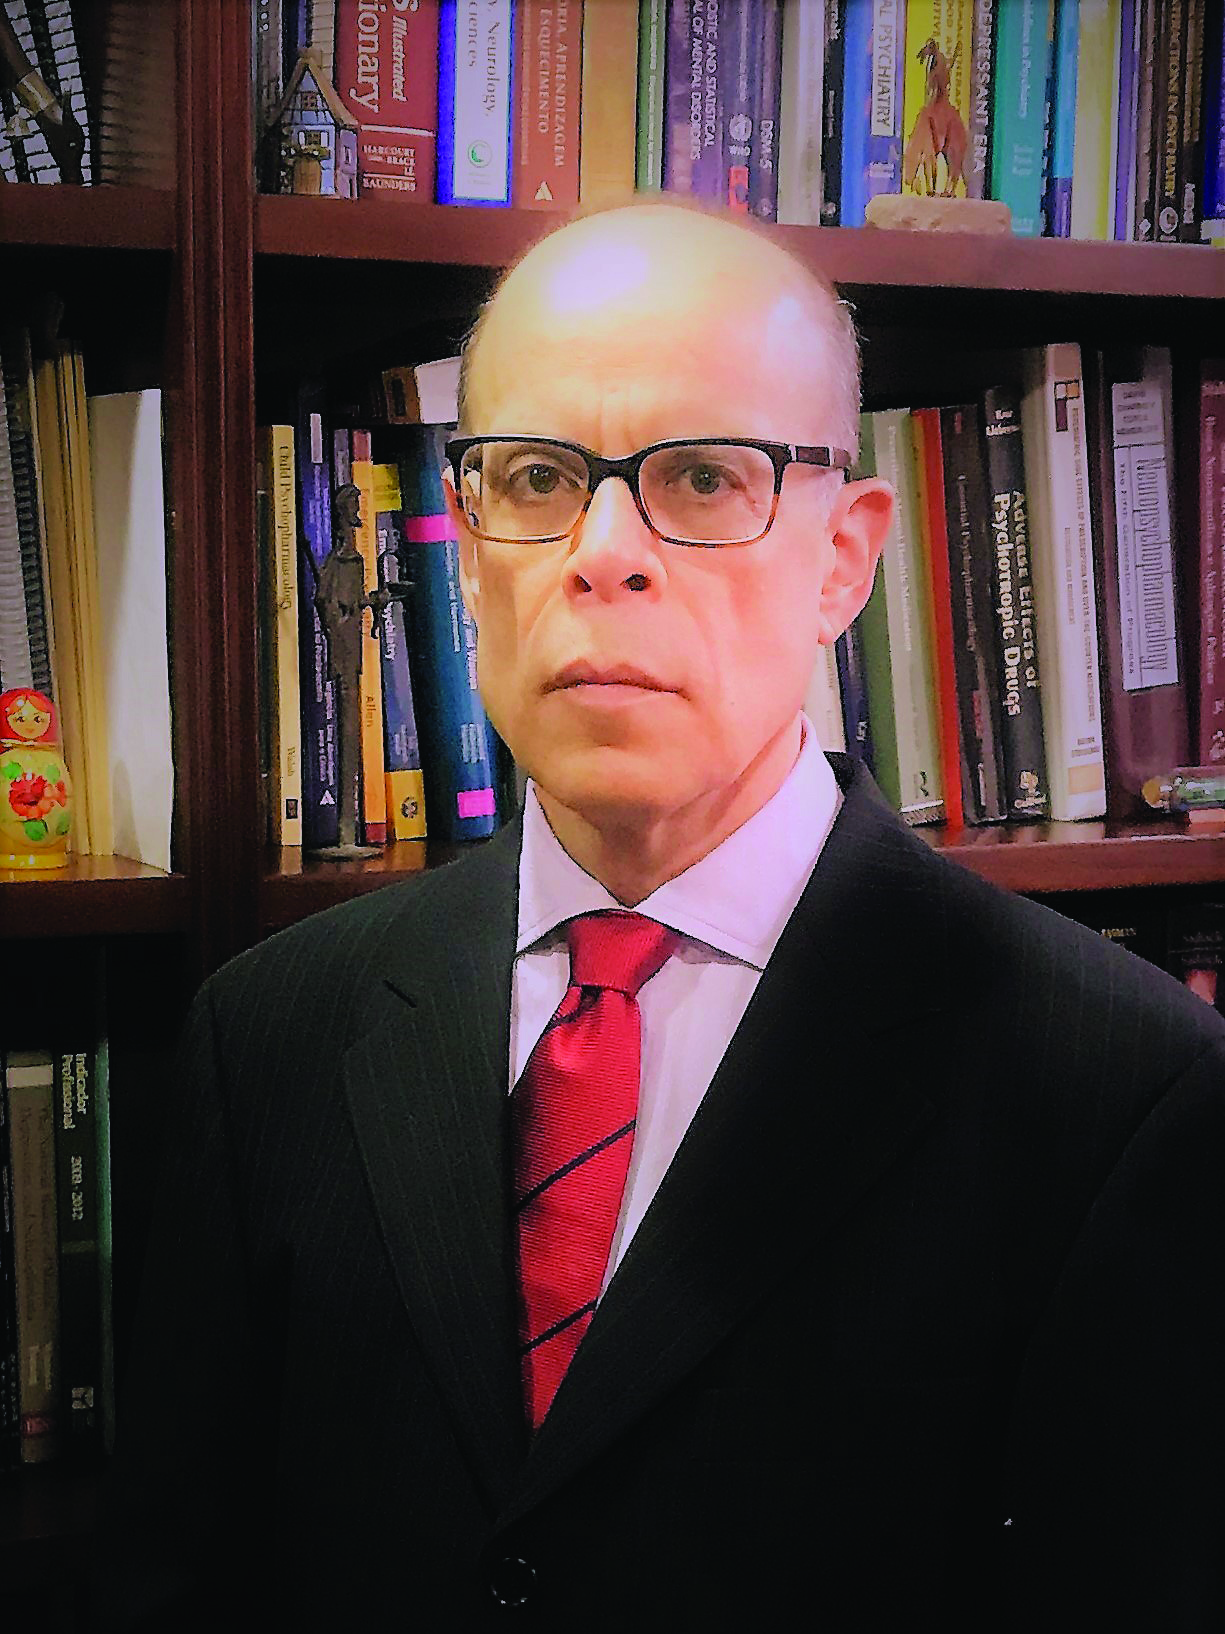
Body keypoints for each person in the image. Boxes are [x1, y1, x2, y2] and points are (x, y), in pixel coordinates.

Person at [91, 197, 1224, 1632]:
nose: (602, 553)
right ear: (468, 543)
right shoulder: (265, 1035)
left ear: (844, 556)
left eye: (700, 476)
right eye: (536, 475)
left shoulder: (1123, 1088)